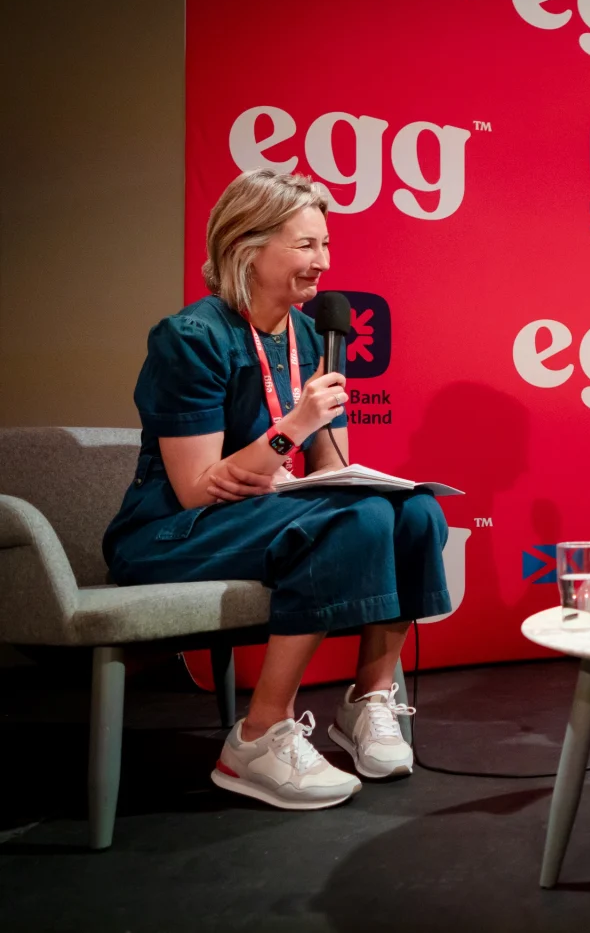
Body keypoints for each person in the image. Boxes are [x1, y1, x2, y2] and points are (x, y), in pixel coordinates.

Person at [102, 169, 450, 811]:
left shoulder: (310, 337)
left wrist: (307, 463)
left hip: (259, 510)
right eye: (305, 246)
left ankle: (369, 699)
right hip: (171, 534)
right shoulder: (192, 338)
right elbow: (198, 489)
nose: (323, 263)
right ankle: (257, 737)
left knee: (413, 512)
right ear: (248, 248)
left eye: (325, 244)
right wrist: (291, 430)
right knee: (353, 520)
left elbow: (327, 468)